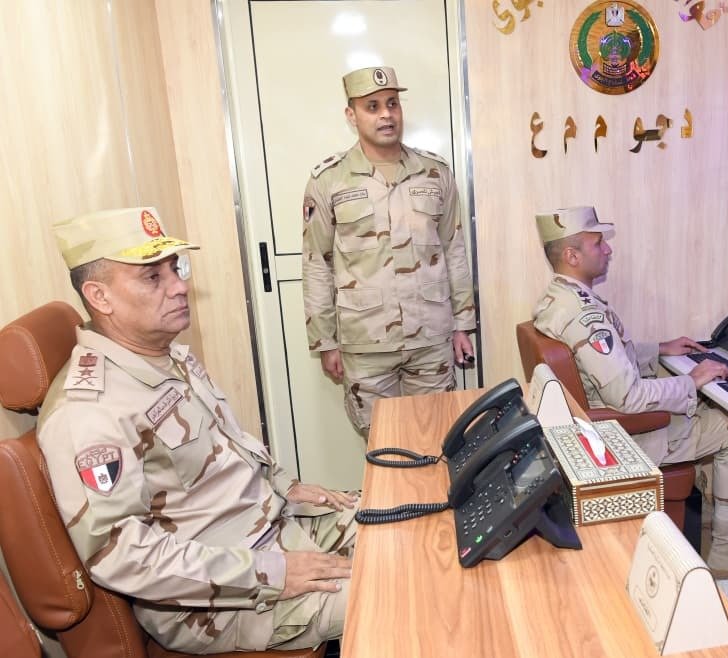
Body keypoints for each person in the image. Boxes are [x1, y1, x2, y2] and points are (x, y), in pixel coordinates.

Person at [39, 207, 357, 653]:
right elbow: (123, 556)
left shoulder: (166, 355)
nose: (179, 286)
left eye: (176, 269)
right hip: (217, 601)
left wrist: (284, 484)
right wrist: (272, 572)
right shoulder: (89, 412)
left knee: (411, 526)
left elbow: (228, 445)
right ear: (100, 296)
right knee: (405, 590)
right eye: (153, 277)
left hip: (271, 526)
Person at [531, 206, 728, 577]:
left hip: (594, 429)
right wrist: (692, 380)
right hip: (619, 437)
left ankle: (718, 515)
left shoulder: (559, 299)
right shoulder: (584, 315)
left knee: (708, 408)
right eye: (598, 243)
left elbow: (599, 361)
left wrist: (659, 348)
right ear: (572, 255)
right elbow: (628, 397)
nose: (608, 249)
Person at [302, 66, 476, 435]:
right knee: (383, 444)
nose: (386, 114)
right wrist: (325, 341)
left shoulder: (434, 172)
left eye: (392, 103)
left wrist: (463, 323)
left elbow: (454, 249)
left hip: (431, 337)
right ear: (351, 116)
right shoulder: (329, 180)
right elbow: (317, 262)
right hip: (366, 342)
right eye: (373, 106)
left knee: (439, 437)